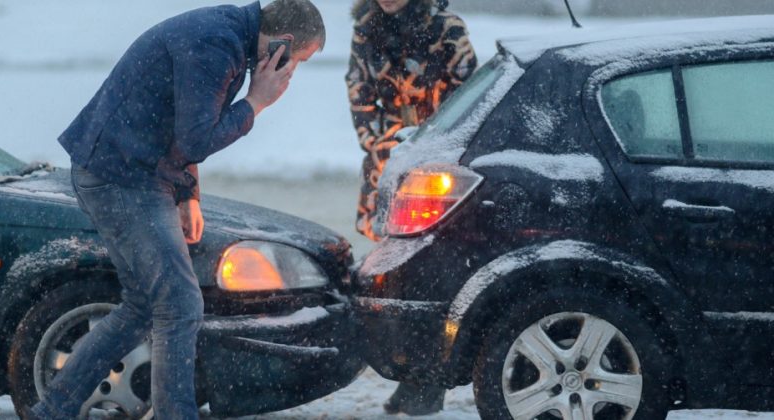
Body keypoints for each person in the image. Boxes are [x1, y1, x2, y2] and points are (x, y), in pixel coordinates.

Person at [28, 1, 325, 419]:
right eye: (298, 60)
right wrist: (256, 102)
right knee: (180, 305)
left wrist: (188, 195)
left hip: (128, 171)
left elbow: (181, 123)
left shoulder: (228, 39)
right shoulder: (215, 45)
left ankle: (52, 411)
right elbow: (196, 139)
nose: (292, 72)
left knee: (142, 307)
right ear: (283, 43)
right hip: (122, 177)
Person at [345, 0, 477, 415]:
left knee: (432, 278)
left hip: (439, 170)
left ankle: (430, 381)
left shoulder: (447, 28)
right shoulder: (365, 29)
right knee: (391, 279)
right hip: (387, 165)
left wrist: (427, 149)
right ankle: (408, 376)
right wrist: (392, 145)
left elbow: (470, 100)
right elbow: (360, 99)